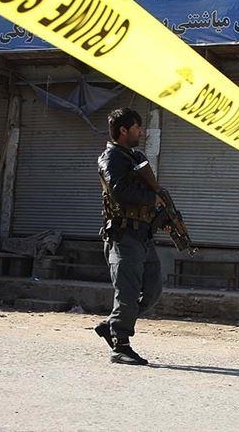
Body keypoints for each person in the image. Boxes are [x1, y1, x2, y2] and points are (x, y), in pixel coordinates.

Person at [94, 107, 165, 365]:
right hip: (124, 236)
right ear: (123, 130)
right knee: (128, 291)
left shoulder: (134, 157)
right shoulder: (111, 158)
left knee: (154, 288)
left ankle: (113, 326)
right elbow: (119, 192)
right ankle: (120, 345)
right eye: (136, 128)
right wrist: (151, 198)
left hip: (142, 235)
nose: (141, 131)